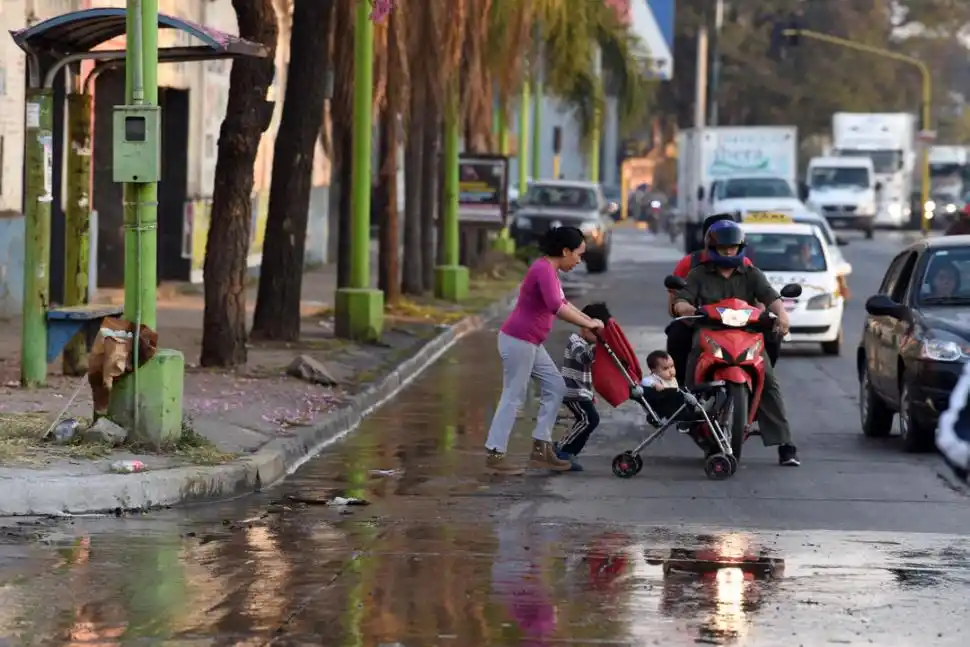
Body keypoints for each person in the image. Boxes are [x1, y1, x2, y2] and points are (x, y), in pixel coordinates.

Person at [671, 220, 800, 466]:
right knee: (693, 361)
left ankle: (785, 444)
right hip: (709, 332)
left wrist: (782, 316)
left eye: (733, 247)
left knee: (769, 379)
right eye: (724, 248)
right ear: (713, 247)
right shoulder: (698, 273)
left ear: (740, 247)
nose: (729, 252)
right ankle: (690, 412)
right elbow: (681, 300)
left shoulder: (751, 273)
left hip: (747, 334)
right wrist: (686, 308)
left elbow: (770, 297)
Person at [484, 226, 605, 475]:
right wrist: (588, 323)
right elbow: (556, 307)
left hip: (530, 342)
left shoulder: (549, 270)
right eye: (578, 254)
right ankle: (495, 453)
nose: (579, 260)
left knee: (556, 386)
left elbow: (563, 303)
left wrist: (589, 320)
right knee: (513, 395)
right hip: (518, 340)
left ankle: (541, 448)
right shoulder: (543, 269)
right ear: (564, 251)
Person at [668, 214, 781, 380]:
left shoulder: (747, 267)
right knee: (677, 334)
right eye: (721, 243)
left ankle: (762, 378)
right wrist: (686, 310)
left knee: (772, 336)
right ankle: (683, 388)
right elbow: (676, 301)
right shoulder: (691, 266)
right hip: (704, 323)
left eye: (732, 243)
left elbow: (763, 296)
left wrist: (767, 314)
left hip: (742, 324)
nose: (728, 249)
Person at [554, 302, 612, 470]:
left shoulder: (587, 344)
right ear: (586, 328)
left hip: (581, 391)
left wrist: (590, 393)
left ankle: (569, 452)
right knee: (589, 419)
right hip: (572, 391)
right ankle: (561, 449)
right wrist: (599, 345)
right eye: (598, 333)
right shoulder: (576, 341)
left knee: (588, 420)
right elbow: (584, 358)